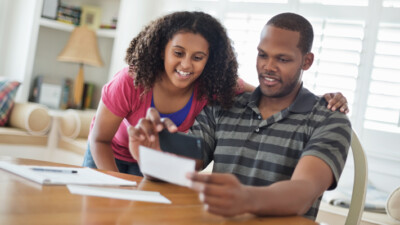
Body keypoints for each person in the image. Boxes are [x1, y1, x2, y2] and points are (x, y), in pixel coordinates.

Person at [128, 12, 351, 221]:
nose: (268, 67)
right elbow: (184, 168)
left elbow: (304, 192)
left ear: (307, 61)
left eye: (282, 59)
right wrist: (151, 156)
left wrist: (246, 199)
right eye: (262, 55)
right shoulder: (223, 106)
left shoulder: (329, 119)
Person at [84, 11, 348, 176]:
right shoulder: (132, 81)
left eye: (198, 57)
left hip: (152, 162)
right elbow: (99, 140)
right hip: (109, 152)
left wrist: (317, 100)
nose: (186, 65)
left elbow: (266, 90)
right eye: (178, 53)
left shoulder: (213, 87)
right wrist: (117, 183)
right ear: (161, 49)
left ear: (210, 60)